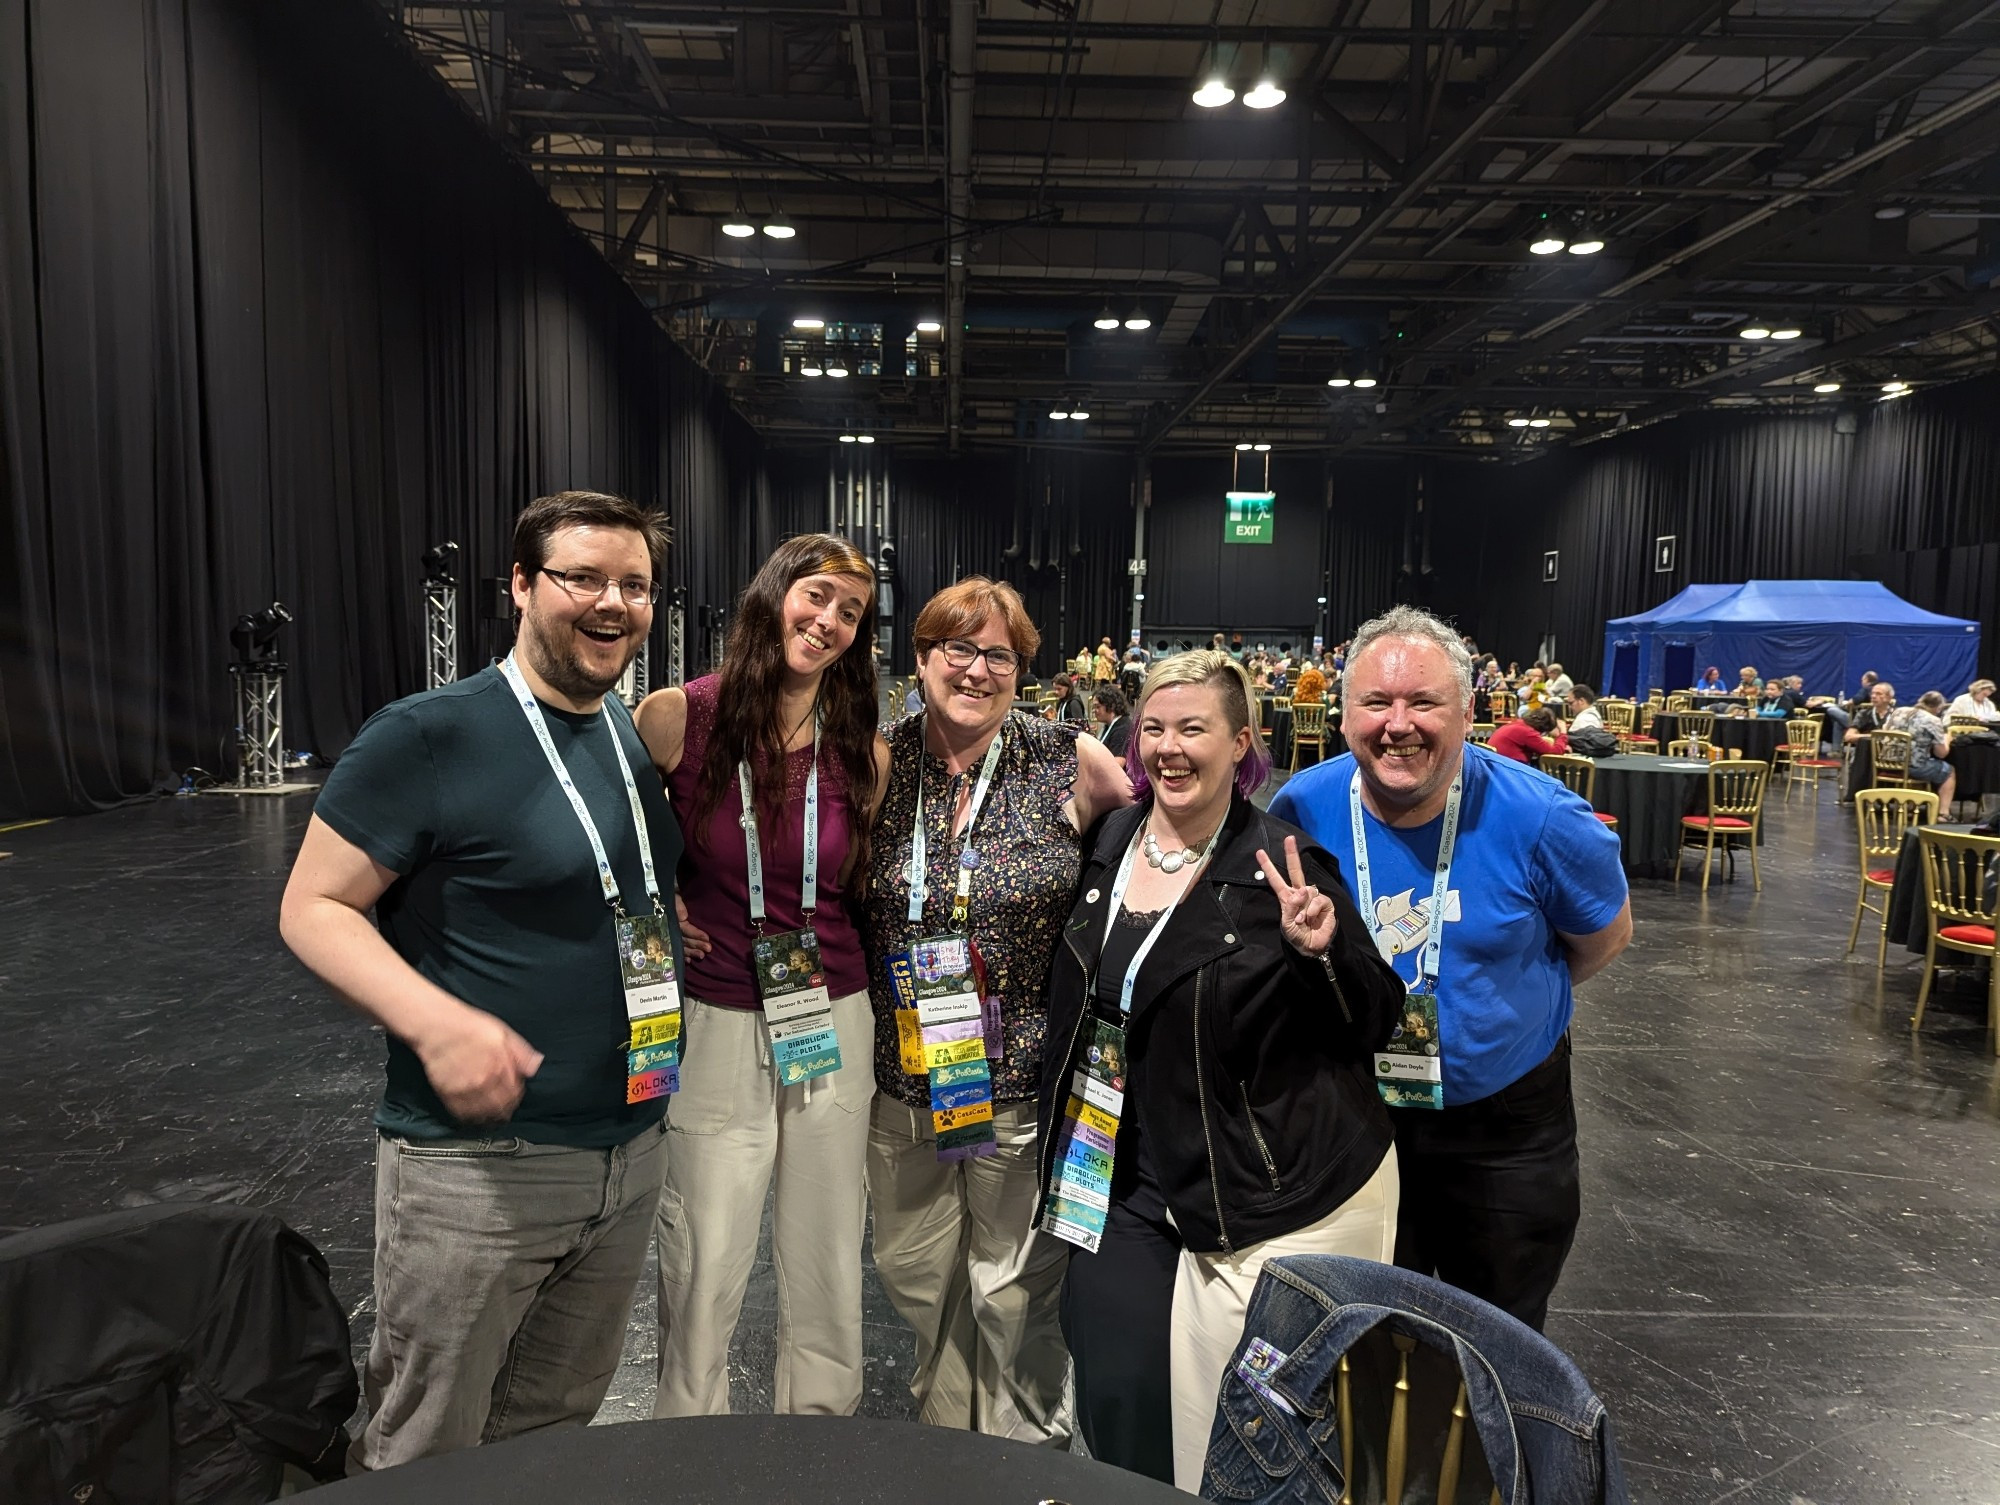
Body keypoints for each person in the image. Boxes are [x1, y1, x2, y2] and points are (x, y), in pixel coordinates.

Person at [279, 491, 681, 1469]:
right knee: (429, 1447)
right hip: (481, 1168)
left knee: (547, 1440)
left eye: (633, 584)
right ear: (517, 584)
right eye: (581, 576)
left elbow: (587, 879)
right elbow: (314, 906)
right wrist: (436, 1022)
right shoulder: (428, 734)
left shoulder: (622, 734)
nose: (611, 602)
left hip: (626, 1149)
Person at [1042, 651, 1402, 1489]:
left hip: (1262, 1183)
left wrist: (1323, 950)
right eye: (1154, 728)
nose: (1170, 747)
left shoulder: (1282, 862)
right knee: (1114, 1379)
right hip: (1130, 1169)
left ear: (1242, 744)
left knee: (1231, 1429)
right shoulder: (1116, 836)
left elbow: (1373, 1015)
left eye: (1193, 728)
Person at [1270, 606, 1631, 1331]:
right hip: (1357, 1121)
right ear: (1344, 715)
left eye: (1423, 701)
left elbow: (1602, 940)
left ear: (1468, 711)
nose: (1397, 723)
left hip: (1505, 1136)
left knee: (1498, 1346)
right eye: (1376, 701)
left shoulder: (1546, 819)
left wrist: (1496, 1015)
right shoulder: (1301, 808)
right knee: (1362, 1338)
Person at [864, 578, 1132, 1443]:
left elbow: (1153, 859)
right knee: (914, 1271)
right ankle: (949, 1441)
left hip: (1020, 1079)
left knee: (1012, 1289)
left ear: (1023, 670)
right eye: (959, 648)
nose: (976, 670)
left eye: (1000, 656)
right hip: (905, 1077)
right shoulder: (879, 757)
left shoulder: (1071, 758)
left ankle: (1023, 1459)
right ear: (922, 657)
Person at [636, 535, 891, 1418]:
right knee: (704, 1244)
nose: (827, 621)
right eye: (816, 596)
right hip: (714, 1020)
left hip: (833, 1011)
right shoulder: (677, 717)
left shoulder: (864, 749)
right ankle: (684, 1439)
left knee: (825, 1247)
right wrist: (659, 907)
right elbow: (620, 849)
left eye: (849, 612)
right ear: (774, 594)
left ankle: (818, 1437)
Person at [1887, 692, 1957, 811]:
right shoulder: (1933, 720)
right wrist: (1947, 738)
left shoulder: (1898, 711)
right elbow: (1941, 753)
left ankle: (1911, 807)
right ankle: (1943, 813)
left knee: (1924, 763)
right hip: (1912, 766)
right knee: (1949, 771)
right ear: (1938, 708)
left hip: (1889, 762)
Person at [1488, 704, 1567, 764]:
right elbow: (1554, 752)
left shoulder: (1519, 723)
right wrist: (1563, 732)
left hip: (1496, 764)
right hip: (1509, 768)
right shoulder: (1528, 732)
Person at [1091, 684, 1133, 758]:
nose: (1094, 711)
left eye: (1098, 707)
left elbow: (1118, 763)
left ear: (1111, 706)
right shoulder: (1110, 724)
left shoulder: (1123, 730)